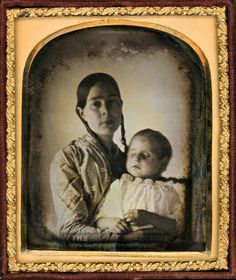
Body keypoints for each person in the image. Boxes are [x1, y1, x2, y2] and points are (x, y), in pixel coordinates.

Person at [50, 73, 127, 244]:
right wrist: (124, 242)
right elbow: (69, 230)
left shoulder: (131, 160)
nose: (106, 110)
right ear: (82, 112)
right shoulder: (69, 158)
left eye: (112, 101)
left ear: (121, 107)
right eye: (96, 104)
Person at [96, 129, 185, 242]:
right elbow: (98, 220)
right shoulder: (119, 186)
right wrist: (111, 222)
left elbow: (177, 227)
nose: (136, 158)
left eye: (146, 155)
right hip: (120, 246)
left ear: (162, 163)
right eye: (132, 153)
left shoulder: (167, 192)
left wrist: (149, 218)